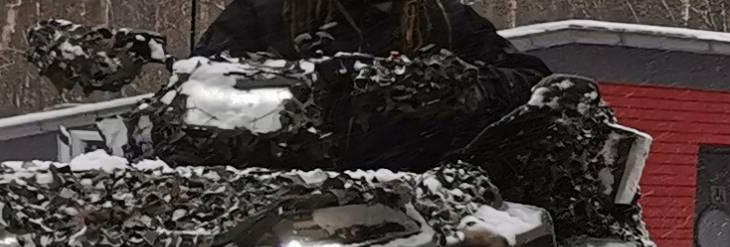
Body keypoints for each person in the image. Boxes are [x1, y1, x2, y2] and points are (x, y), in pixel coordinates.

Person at [194, 0, 551, 171]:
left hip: (416, 201)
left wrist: (446, 86)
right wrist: (301, 89)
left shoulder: (444, 20)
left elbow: (531, 85)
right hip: (283, 195)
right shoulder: (265, 13)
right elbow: (202, 85)